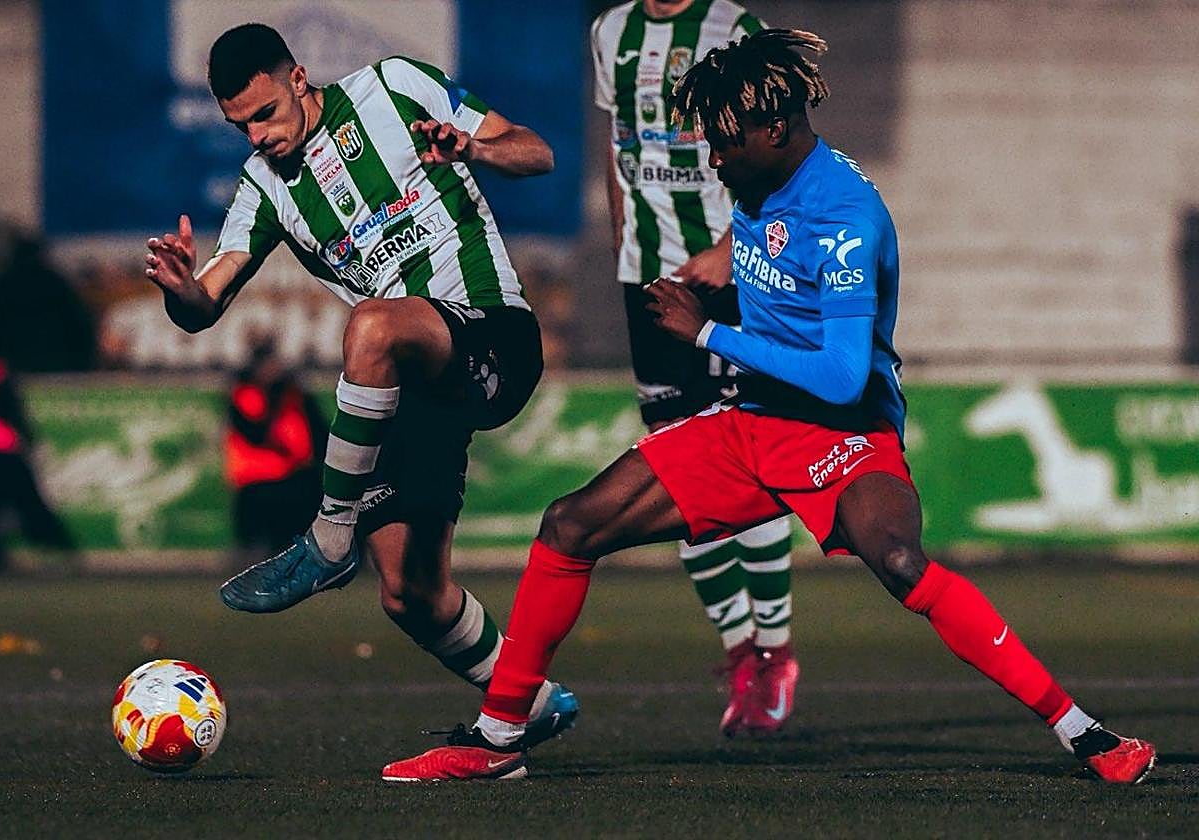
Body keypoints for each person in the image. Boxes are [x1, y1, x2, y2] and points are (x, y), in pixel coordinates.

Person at [381, 29, 1157, 784]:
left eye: (725, 143)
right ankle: (498, 738)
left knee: (898, 562)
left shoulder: (845, 223)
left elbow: (842, 377)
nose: (714, 158)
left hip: (846, 436)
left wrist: (707, 328)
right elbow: (765, 241)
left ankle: (1084, 732)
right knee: (569, 524)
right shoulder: (762, 176)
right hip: (751, 427)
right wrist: (720, 259)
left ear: (778, 127)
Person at [143, 23, 577, 749]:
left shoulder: (395, 87)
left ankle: (328, 534)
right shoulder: (265, 188)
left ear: (300, 78)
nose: (256, 136)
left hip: (491, 334)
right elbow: (204, 306)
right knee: (411, 594)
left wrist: (470, 147)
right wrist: (180, 288)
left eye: (265, 114)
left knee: (371, 326)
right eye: (238, 124)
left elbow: (537, 152)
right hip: (413, 387)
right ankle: (532, 705)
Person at [591, 0, 798, 737]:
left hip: (730, 275)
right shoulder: (610, 31)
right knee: (676, 469)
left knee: (752, 460)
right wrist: (625, 244)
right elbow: (619, 154)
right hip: (647, 278)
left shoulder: (734, 27)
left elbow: (779, 153)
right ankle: (740, 647)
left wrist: (731, 247)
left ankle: (776, 648)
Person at [225, 337, 326, 558]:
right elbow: (255, 432)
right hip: (257, 482)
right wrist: (273, 394)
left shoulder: (295, 394)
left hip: (297, 477)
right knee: (257, 549)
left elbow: (319, 432)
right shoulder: (246, 394)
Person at [0, 357, 76, 573]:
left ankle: (59, 548)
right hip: (7, 448)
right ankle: (58, 547)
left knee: (29, 504)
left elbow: (10, 405)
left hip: (5, 448)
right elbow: (12, 406)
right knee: (29, 504)